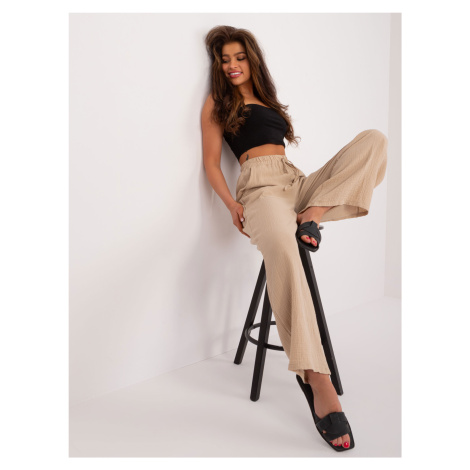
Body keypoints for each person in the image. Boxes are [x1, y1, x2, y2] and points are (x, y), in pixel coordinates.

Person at [201, 25, 388, 452]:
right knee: (285, 256)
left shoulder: (267, 99)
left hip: (296, 183)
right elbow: (211, 162)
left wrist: (307, 201)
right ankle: (318, 380)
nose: (231, 65)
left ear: (252, 59)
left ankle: (313, 215)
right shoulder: (217, 102)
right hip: (260, 191)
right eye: (224, 59)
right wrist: (231, 204)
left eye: (239, 57)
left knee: (374, 140)